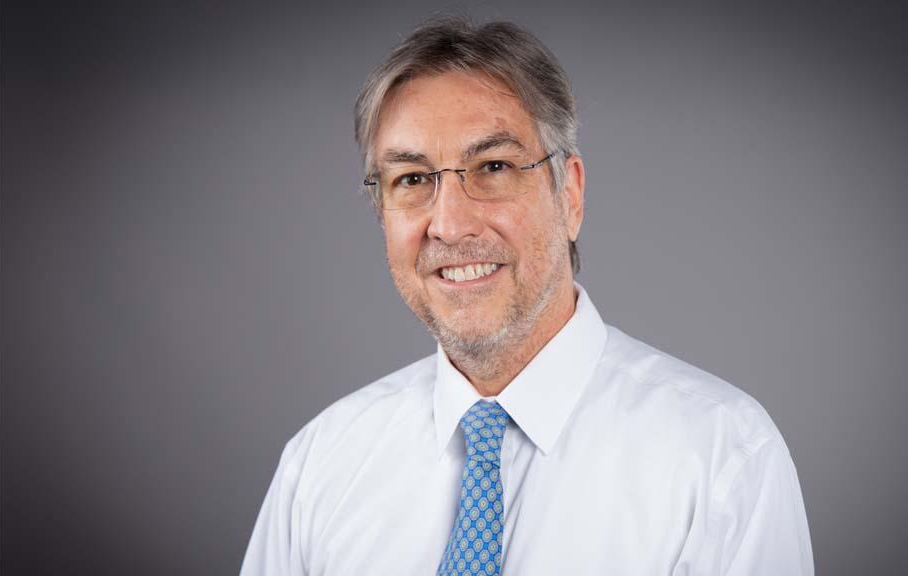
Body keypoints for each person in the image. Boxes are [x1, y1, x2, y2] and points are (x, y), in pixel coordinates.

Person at [240, 17, 813, 576]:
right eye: (412, 179)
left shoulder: (722, 461)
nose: (450, 225)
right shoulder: (320, 468)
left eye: (493, 167)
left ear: (570, 196)